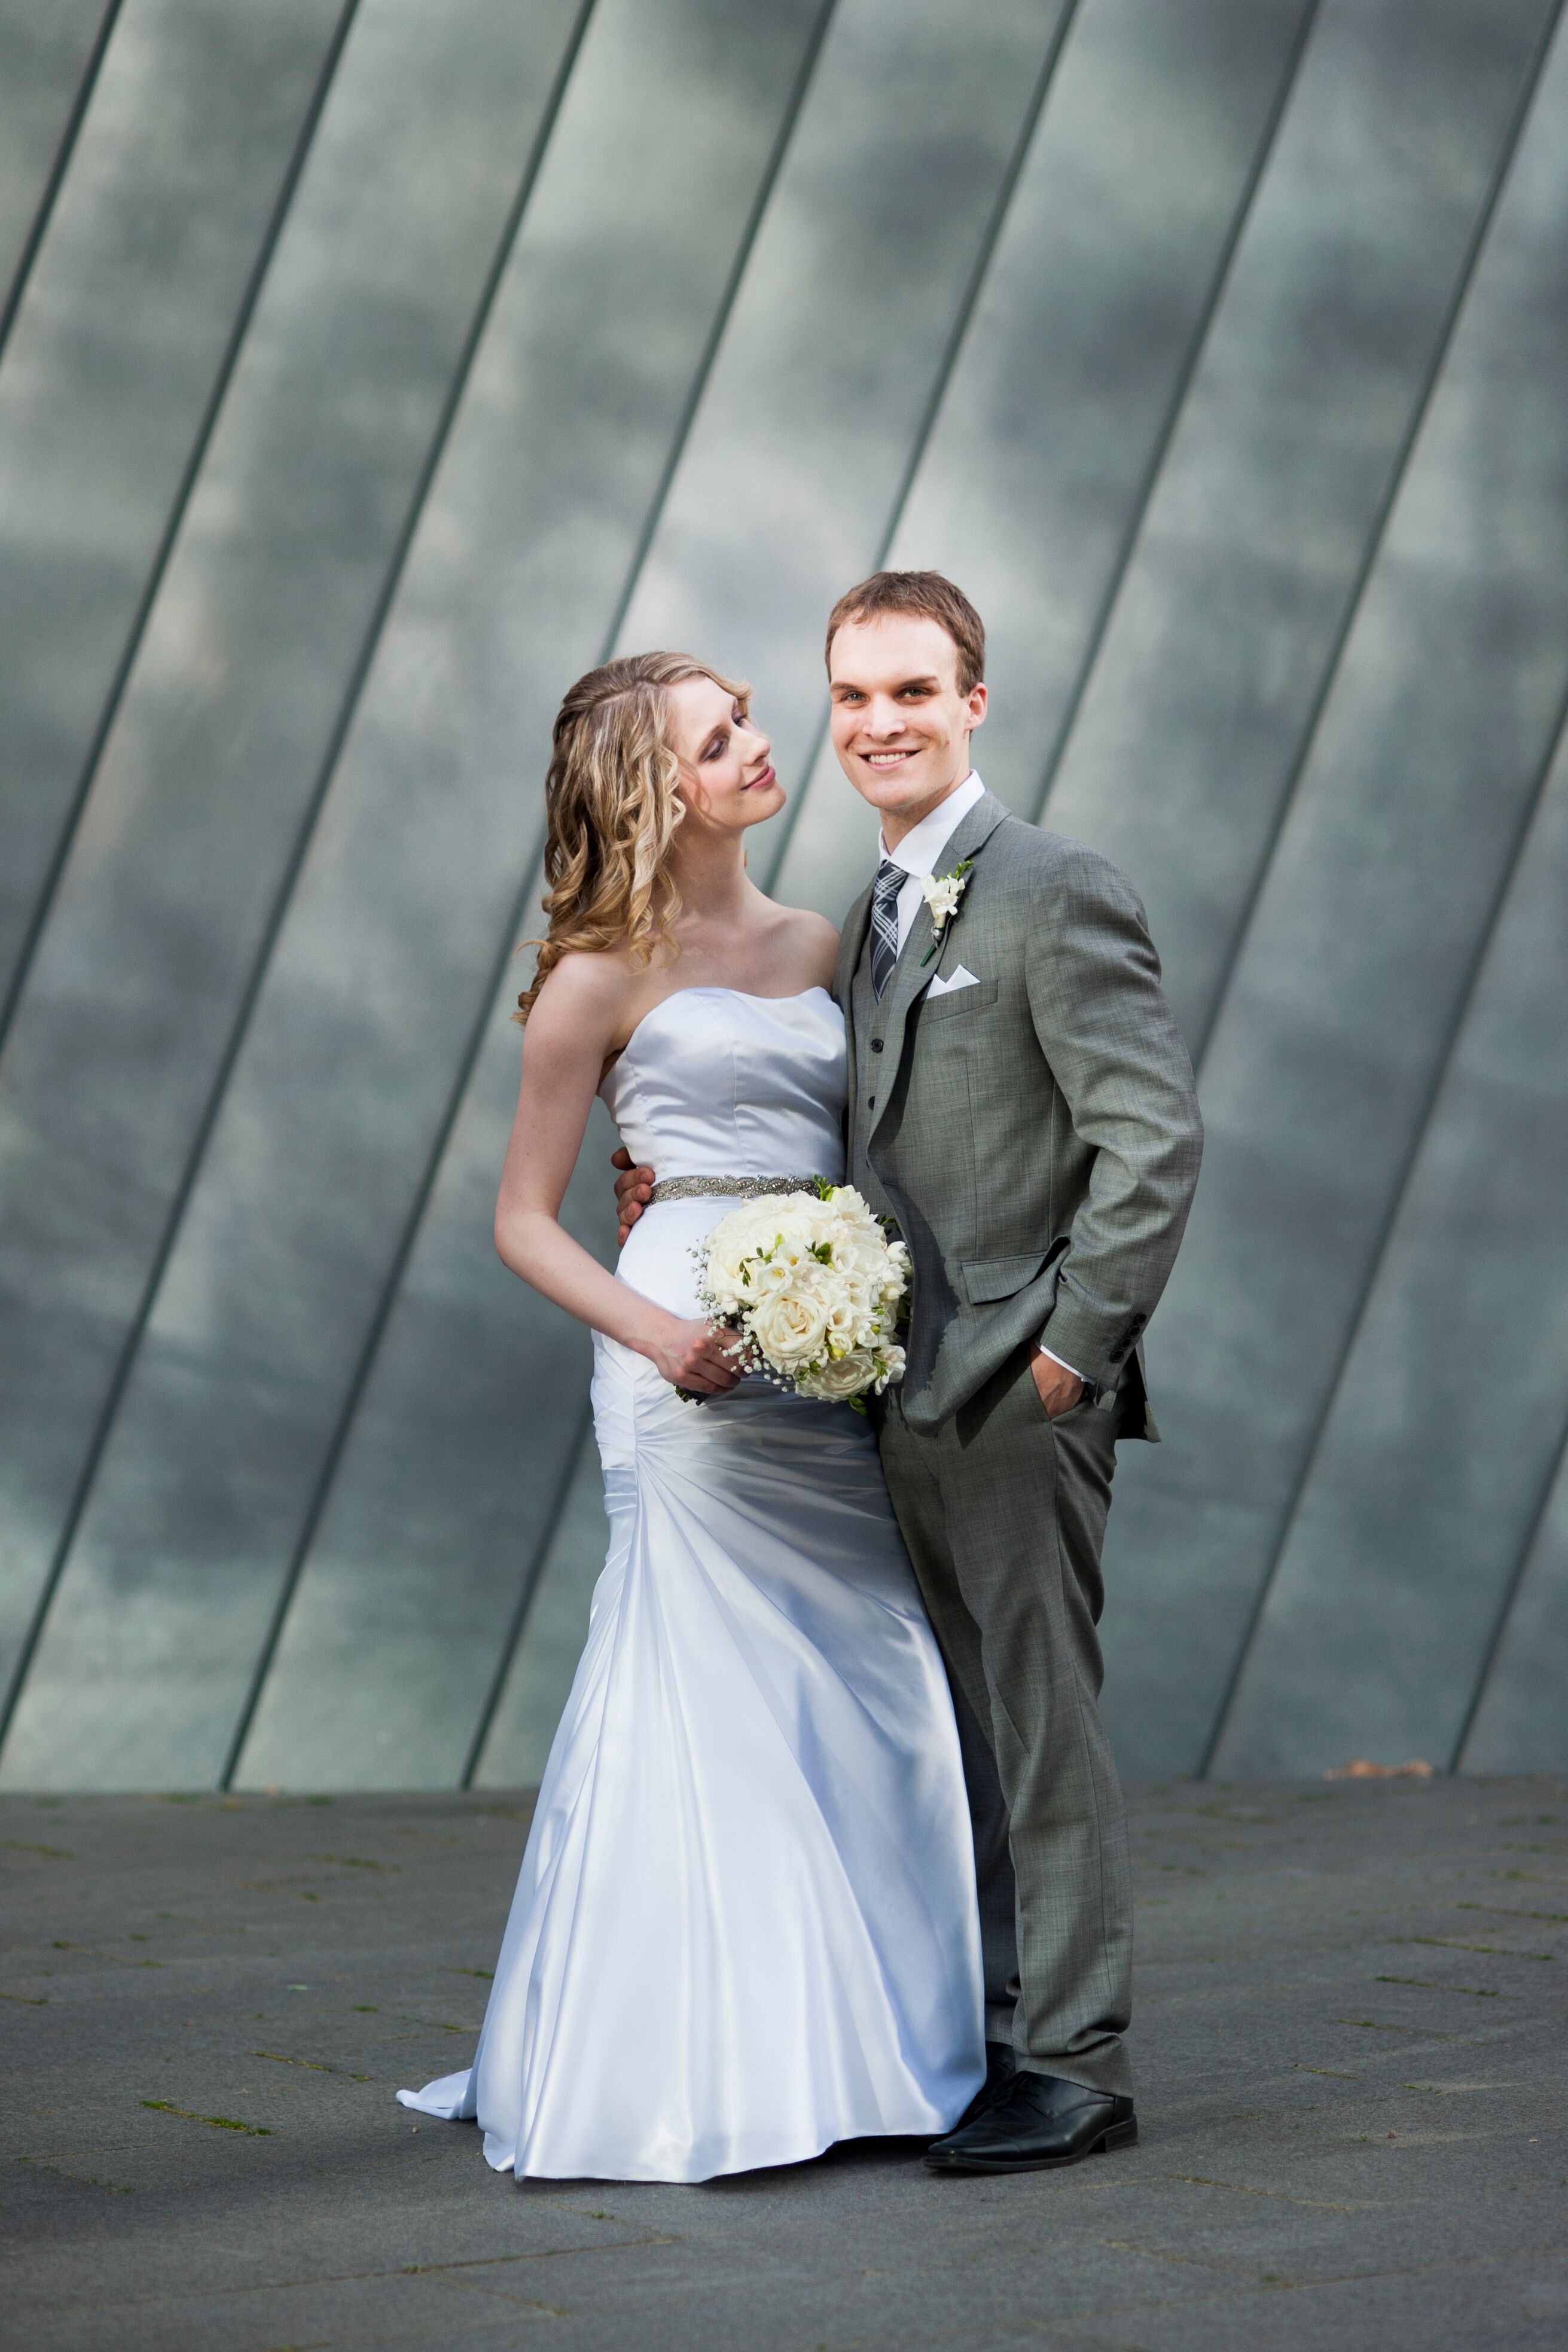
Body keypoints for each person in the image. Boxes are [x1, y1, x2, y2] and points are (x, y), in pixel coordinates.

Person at [617, 572, 1203, 2173]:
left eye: (911, 693)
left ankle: (1073, 2061)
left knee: (1034, 1718)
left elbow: (1147, 1144)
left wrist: (1072, 1354)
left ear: (972, 704)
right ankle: (997, 2032)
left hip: (1016, 1390)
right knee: (956, 1727)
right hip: (892, 1392)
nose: (879, 723)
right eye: (854, 696)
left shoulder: (1046, 886)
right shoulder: (873, 911)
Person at [398, 650, 986, 2183]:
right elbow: (524, 1220)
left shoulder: (828, 938)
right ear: (656, 787)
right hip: (679, 1358)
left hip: (827, 1347)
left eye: (745, 720)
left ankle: (875, 2037)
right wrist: (660, 1332)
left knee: (864, 1669)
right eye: (720, 738)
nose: (761, 745)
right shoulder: (595, 974)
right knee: (701, 1686)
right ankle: (693, 2061)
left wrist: (859, 1292)